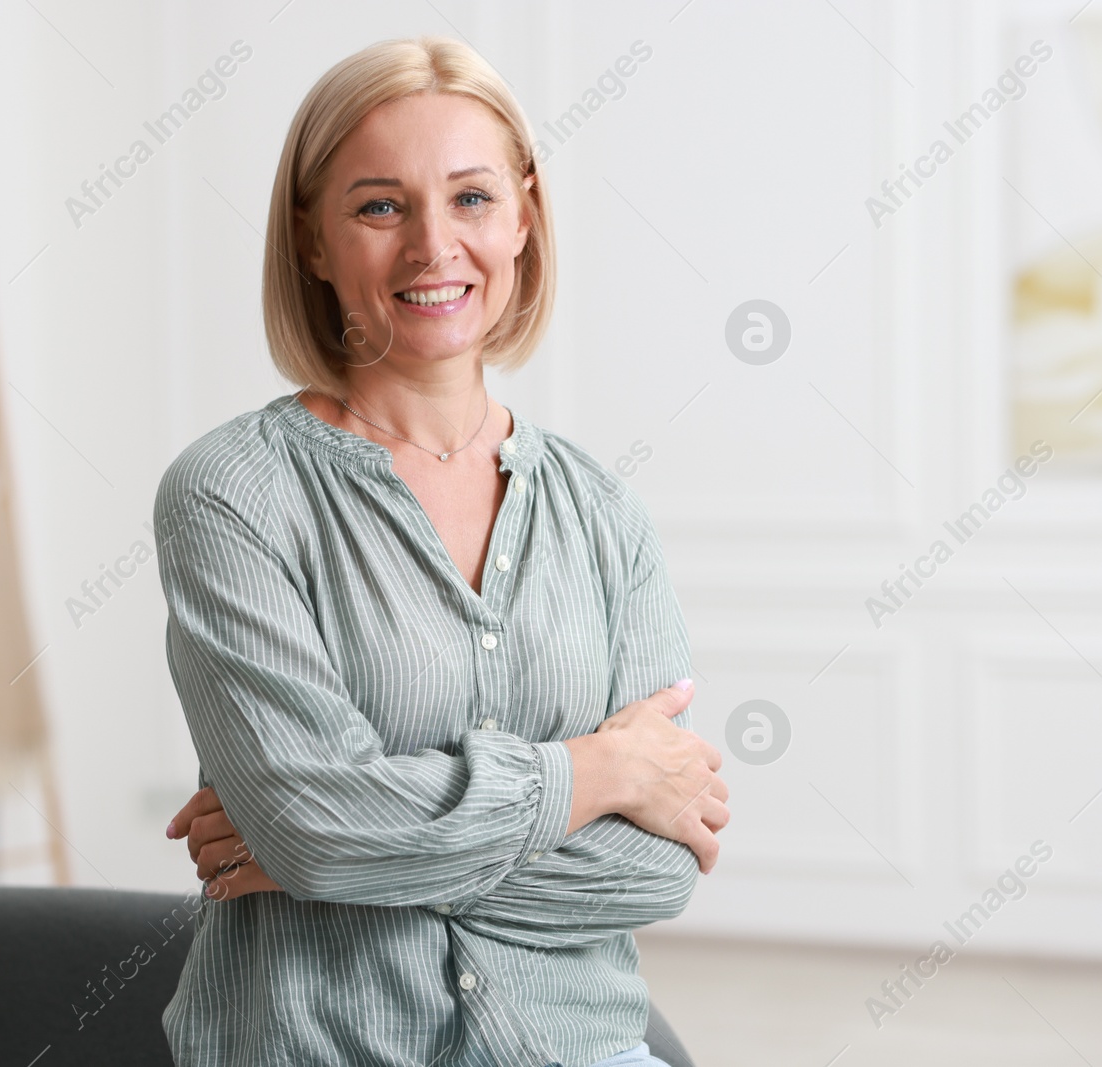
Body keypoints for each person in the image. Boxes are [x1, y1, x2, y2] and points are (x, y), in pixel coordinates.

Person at [153, 35, 730, 1067]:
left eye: (469, 198)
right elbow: (315, 828)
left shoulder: (605, 514)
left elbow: (657, 869)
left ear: (524, 217)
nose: (432, 247)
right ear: (315, 241)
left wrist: (325, 854)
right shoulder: (231, 493)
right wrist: (595, 772)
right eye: (380, 206)